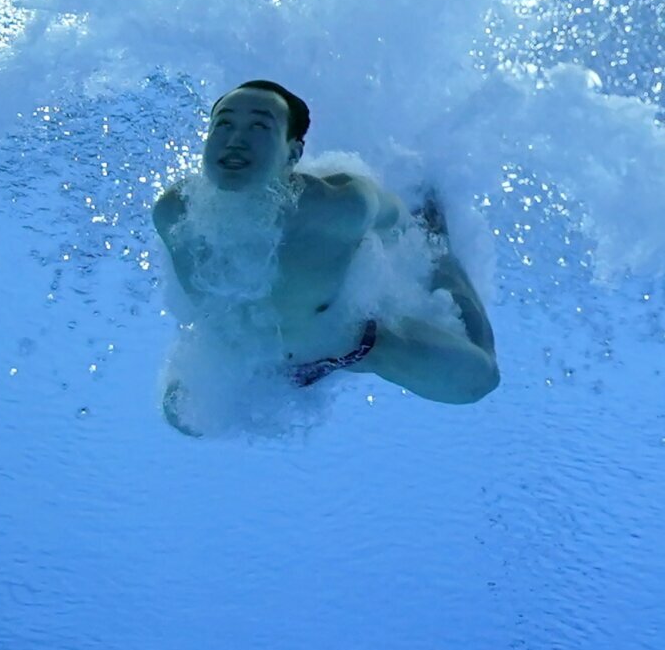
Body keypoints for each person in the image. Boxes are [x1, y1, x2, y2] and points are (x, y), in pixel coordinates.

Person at [151, 80, 499, 432]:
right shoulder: (174, 214)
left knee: (478, 379)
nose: (235, 140)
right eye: (223, 125)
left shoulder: (339, 207)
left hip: (349, 345)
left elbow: (400, 225)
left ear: (293, 154)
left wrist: (431, 244)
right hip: (251, 362)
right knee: (182, 418)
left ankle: (448, 261)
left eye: (259, 127)